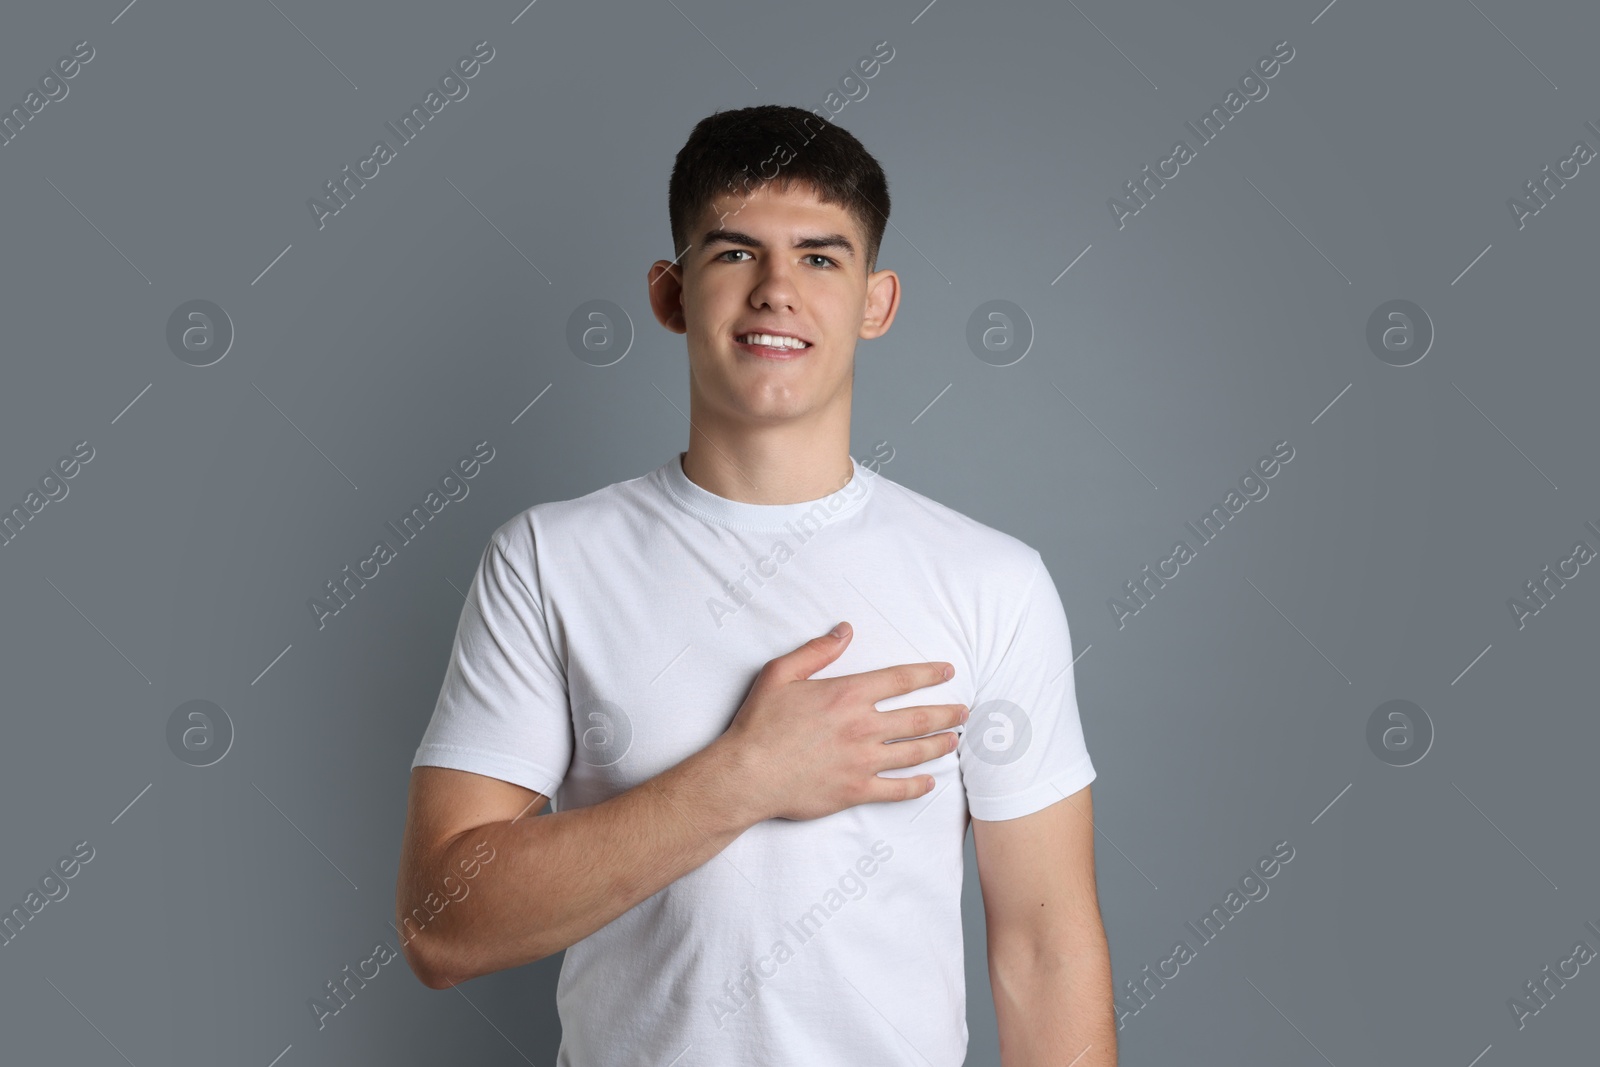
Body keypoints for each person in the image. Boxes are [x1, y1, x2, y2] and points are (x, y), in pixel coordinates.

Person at [395, 103, 1116, 1065]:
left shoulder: (993, 581)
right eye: (735, 253)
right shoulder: (546, 559)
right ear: (669, 291)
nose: (778, 289)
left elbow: (1046, 952)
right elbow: (443, 928)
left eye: (821, 257)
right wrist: (745, 777)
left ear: (877, 301)